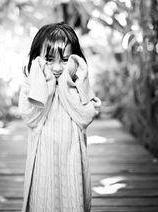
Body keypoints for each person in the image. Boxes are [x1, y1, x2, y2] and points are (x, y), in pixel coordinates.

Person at [19, 22, 101, 212]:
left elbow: (85, 116)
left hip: (72, 160)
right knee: (42, 200)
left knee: (73, 201)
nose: (57, 67)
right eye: (49, 59)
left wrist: (65, 85)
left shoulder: (77, 84)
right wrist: (45, 86)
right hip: (42, 161)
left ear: (75, 59)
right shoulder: (31, 85)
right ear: (37, 59)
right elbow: (31, 118)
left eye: (65, 60)